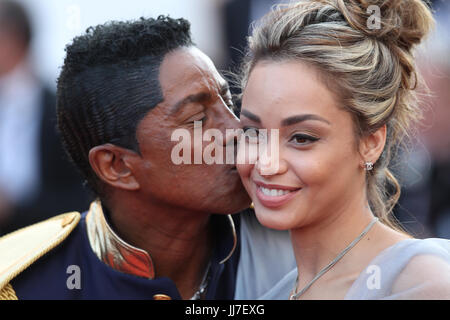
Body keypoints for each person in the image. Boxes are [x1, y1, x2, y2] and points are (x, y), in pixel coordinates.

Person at [0, 16, 295, 300]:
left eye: (228, 101)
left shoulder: (297, 242)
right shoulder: (26, 285)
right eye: (197, 119)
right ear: (116, 166)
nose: (235, 130)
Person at [235, 0, 450, 299]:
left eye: (301, 138)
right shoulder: (270, 296)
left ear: (370, 143)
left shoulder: (421, 284)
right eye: (253, 133)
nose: (267, 163)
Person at [0, 0, 90, 236]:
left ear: (14, 41)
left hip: (43, 244)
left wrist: (15, 208)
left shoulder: (60, 109)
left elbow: (81, 198)